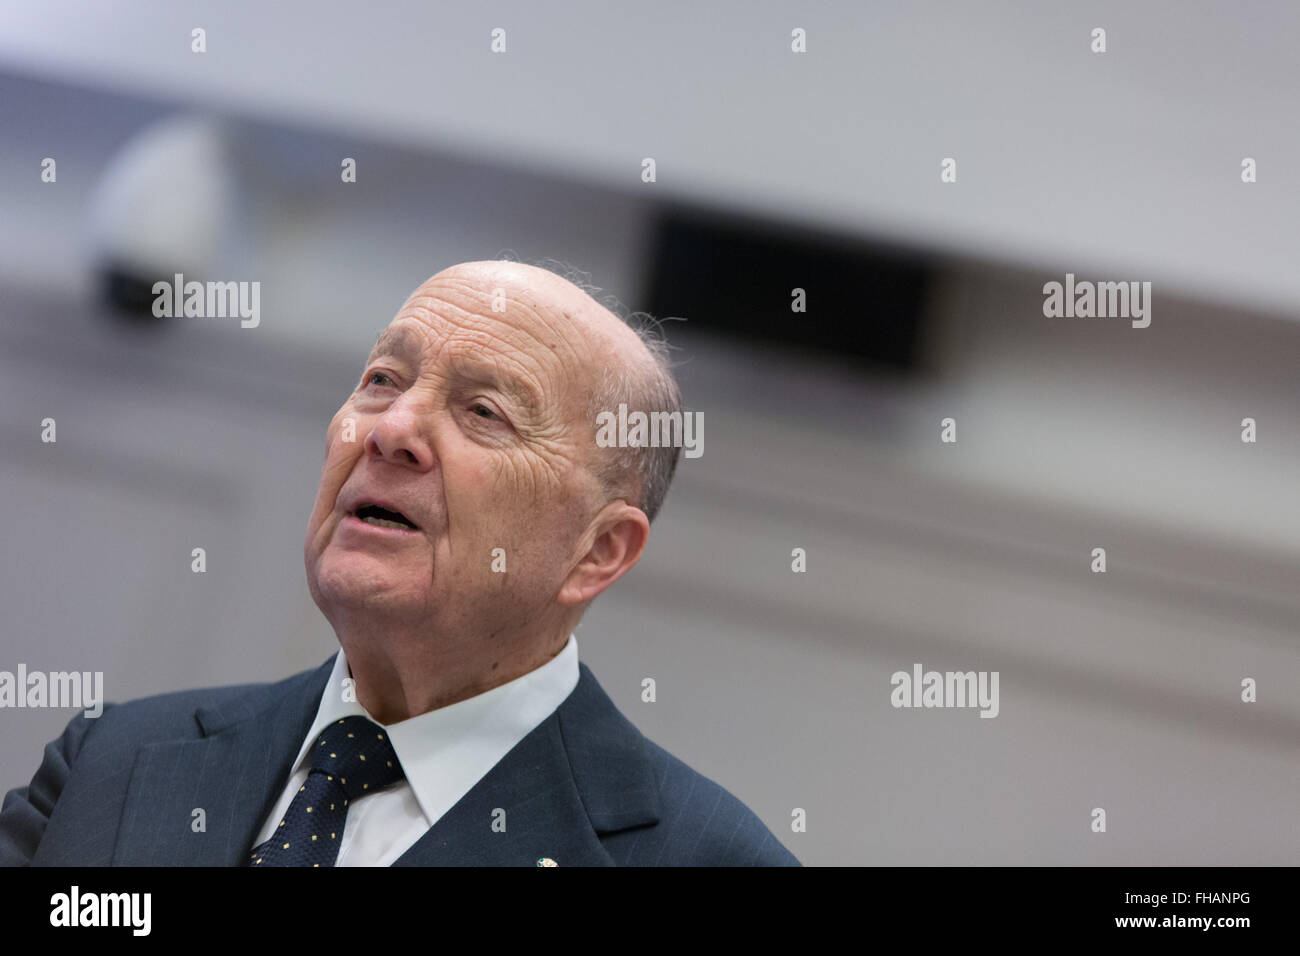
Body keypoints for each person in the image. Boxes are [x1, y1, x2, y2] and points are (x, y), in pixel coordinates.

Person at [0, 260, 799, 867]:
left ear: (597, 551)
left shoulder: (705, 857)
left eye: (484, 412)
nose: (392, 429)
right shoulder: (113, 760)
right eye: (383, 379)